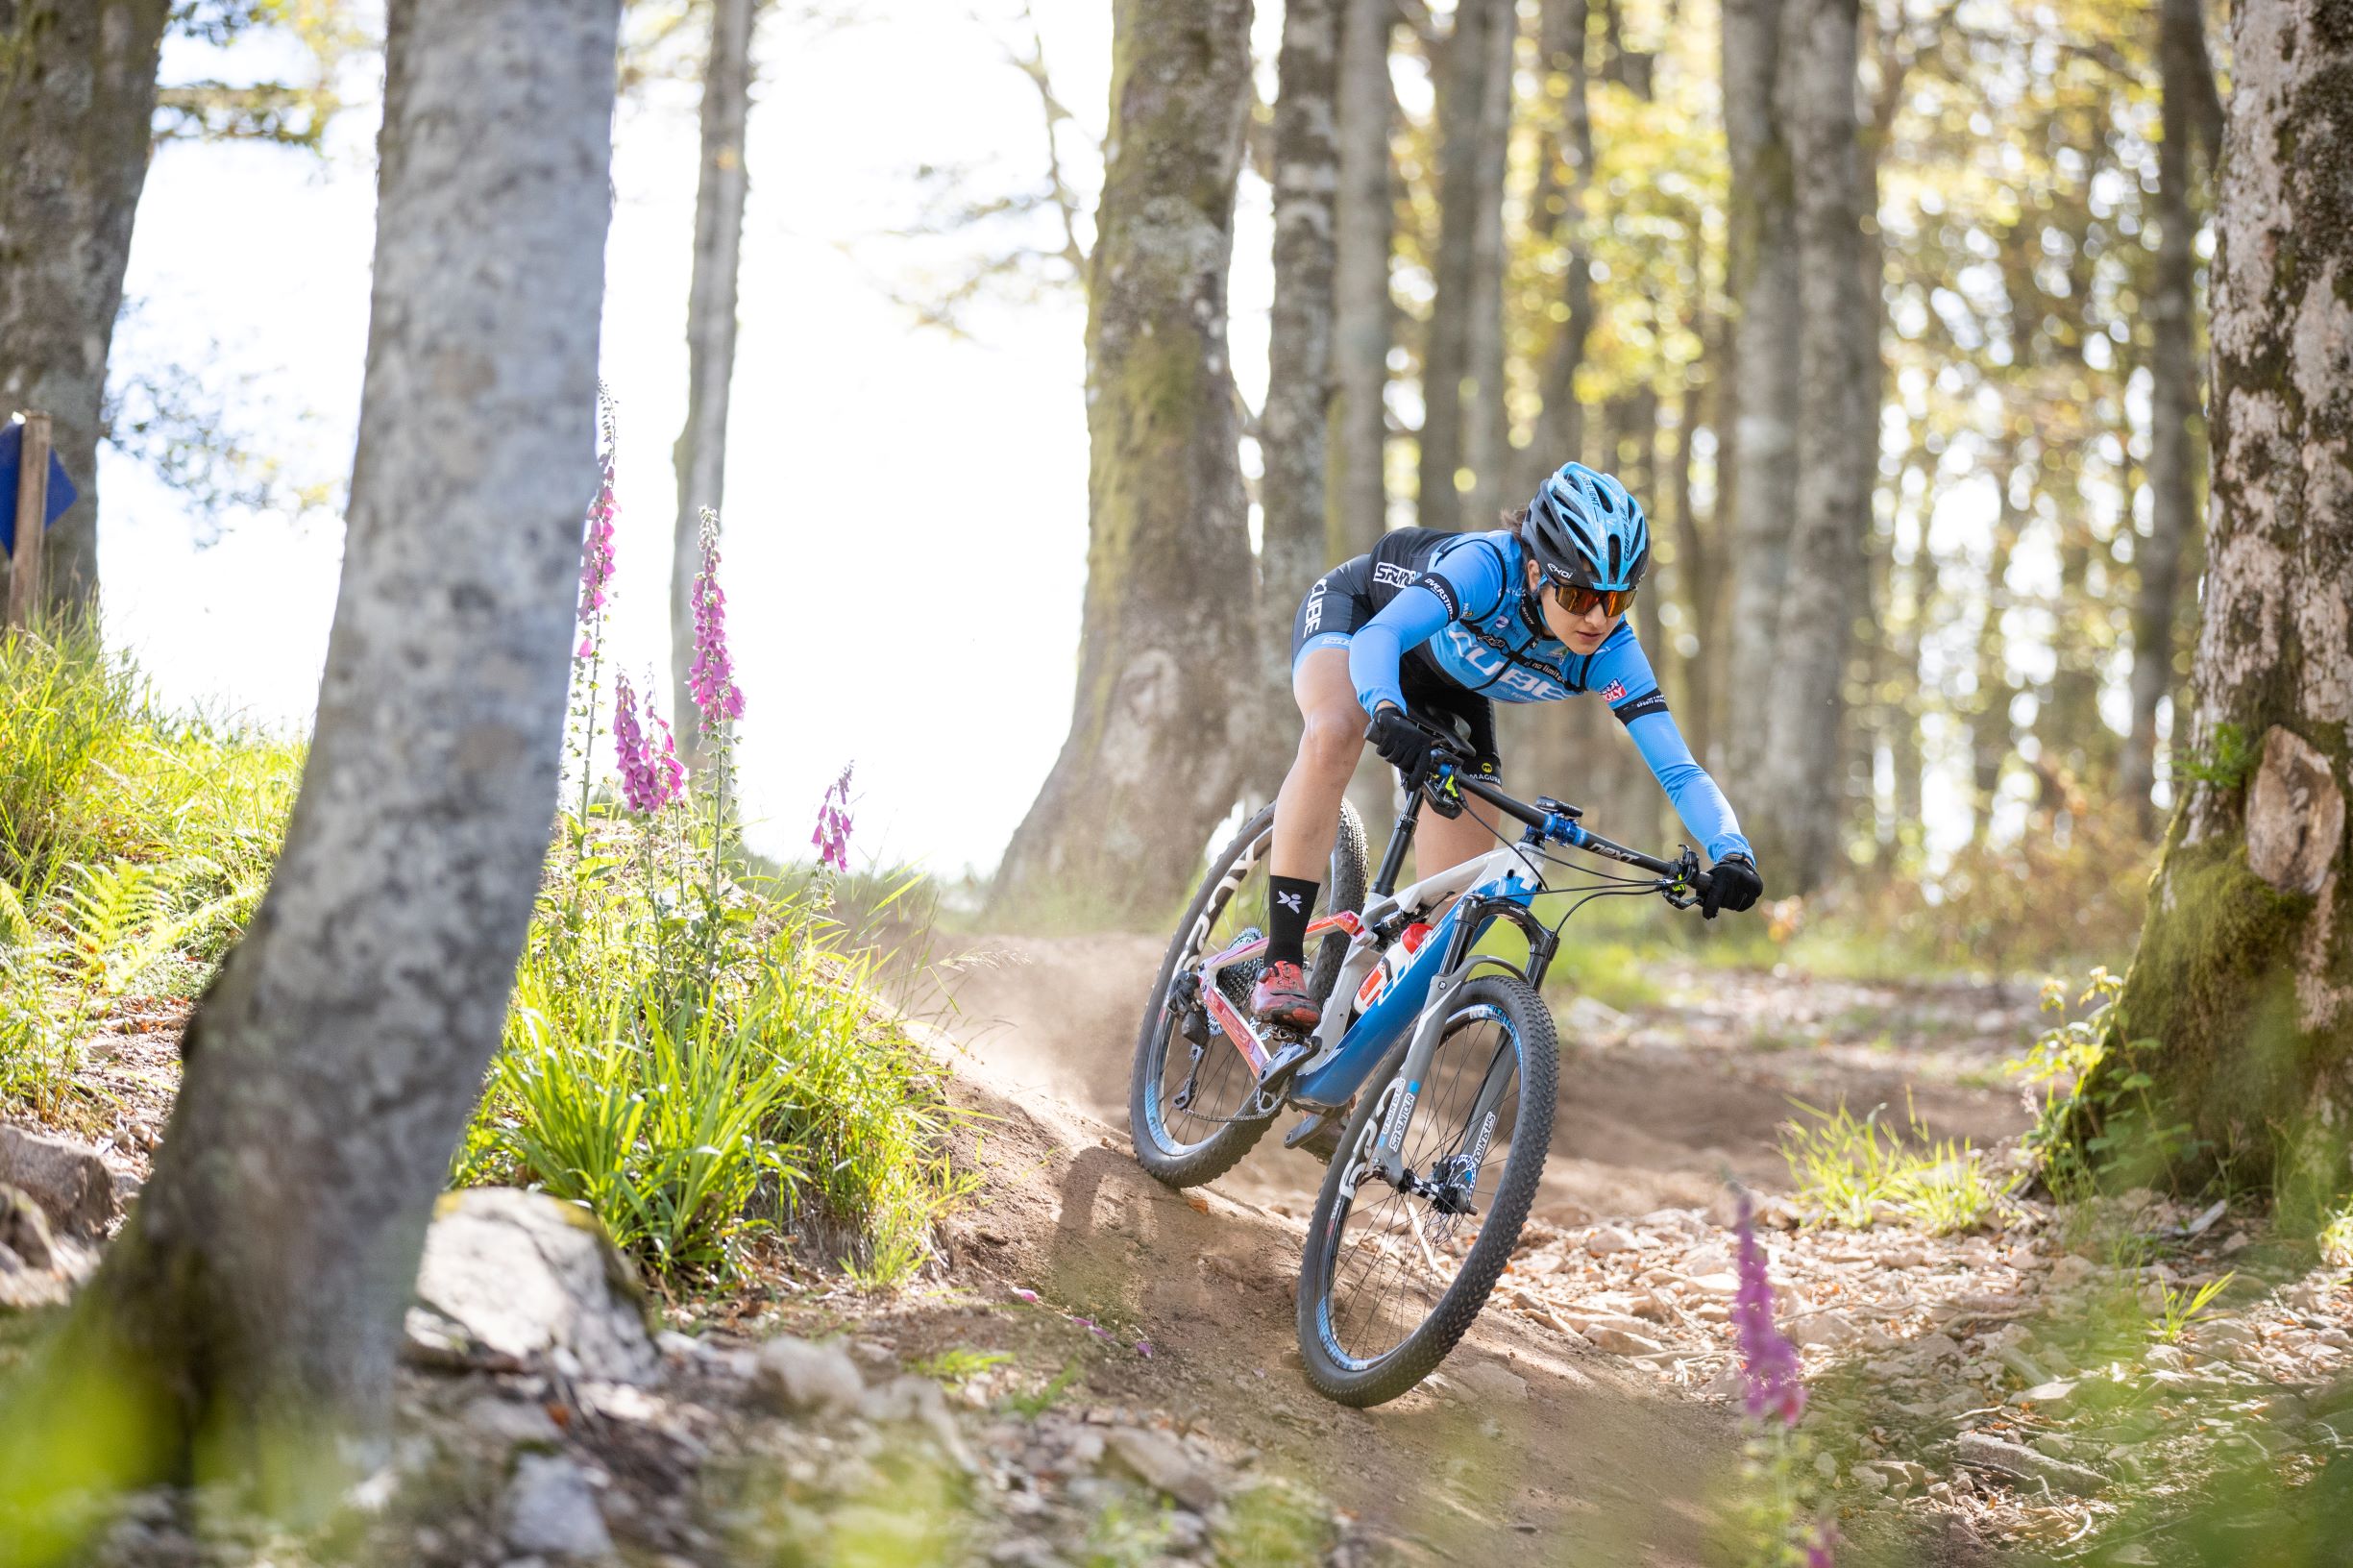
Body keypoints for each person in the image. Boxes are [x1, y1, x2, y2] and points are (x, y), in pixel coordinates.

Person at [1251, 461, 1764, 1029]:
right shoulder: (1485, 568)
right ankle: (1280, 960)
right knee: (1336, 731)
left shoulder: (1610, 651)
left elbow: (1679, 770)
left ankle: (1340, 1041)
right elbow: (1382, 637)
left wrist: (1731, 849)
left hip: (1449, 689)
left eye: (1616, 601)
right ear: (1537, 569)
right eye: (1575, 594)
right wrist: (1385, 710)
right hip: (1366, 620)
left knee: (1453, 912)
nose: (1595, 618)